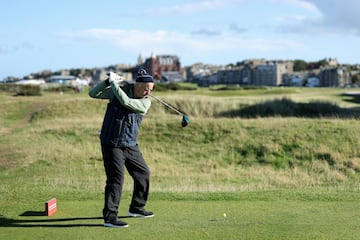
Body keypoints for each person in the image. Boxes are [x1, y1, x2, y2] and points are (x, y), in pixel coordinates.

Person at [89, 69, 155, 228]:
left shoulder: (146, 102)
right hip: (111, 143)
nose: (148, 92)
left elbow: (127, 102)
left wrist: (114, 85)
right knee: (116, 179)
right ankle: (110, 217)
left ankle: (137, 208)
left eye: (151, 89)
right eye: (146, 88)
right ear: (137, 85)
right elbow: (93, 93)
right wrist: (107, 83)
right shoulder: (118, 91)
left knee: (143, 173)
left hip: (130, 144)